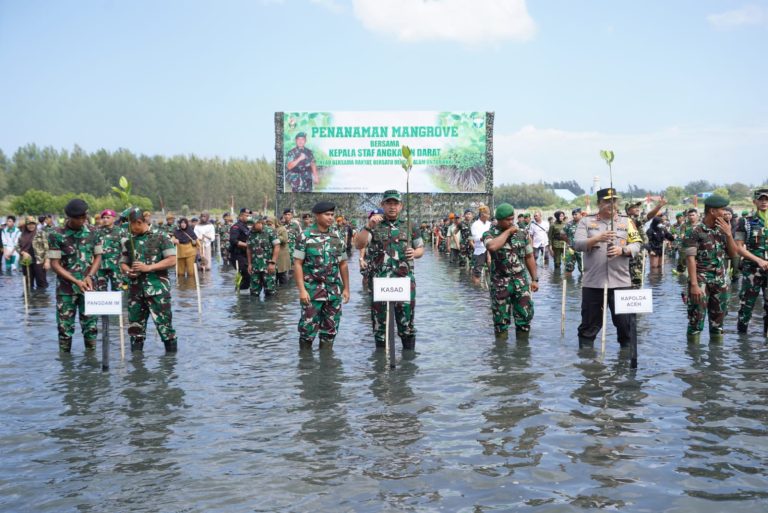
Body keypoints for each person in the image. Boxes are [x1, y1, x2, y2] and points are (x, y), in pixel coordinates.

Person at [573, 188, 642, 363]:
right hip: (593, 283)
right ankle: (589, 367)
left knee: (626, 326)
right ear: (599, 204)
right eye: (607, 201)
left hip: (621, 282)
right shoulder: (586, 222)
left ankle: (625, 366)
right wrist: (597, 239)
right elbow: (577, 244)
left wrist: (623, 249)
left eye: (614, 201)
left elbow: (637, 245)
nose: (611, 205)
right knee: (588, 327)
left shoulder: (627, 222)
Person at [354, 190, 424, 350]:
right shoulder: (374, 225)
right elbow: (359, 245)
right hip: (381, 283)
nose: (392, 207)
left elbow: (420, 248)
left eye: (395, 203)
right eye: (389, 203)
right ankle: (381, 367)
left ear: (401, 206)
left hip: (404, 283)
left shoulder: (410, 226)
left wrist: (415, 253)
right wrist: (368, 226)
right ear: (382, 205)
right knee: (380, 326)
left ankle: (407, 366)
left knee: (406, 325)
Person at [120, 207, 178, 353]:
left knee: (166, 330)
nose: (127, 230)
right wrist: (128, 271)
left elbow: (172, 260)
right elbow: (123, 263)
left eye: (129, 226)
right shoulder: (128, 240)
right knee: (135, 331)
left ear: (138, 222)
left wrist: (148, 267)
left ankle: (170, 368)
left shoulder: (161, 236)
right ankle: (137, 370)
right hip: (135, 293)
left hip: (157, 290)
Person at [48, 199, 103, 352]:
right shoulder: (56, 234)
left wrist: (90, 276)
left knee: (91, 327)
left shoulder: (93, 232)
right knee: (64, 329)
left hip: (89, 287)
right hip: (66, 290)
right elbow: (55, 264)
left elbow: (98, 257)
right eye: (78, 218)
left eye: (84, 217)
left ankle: (91, 363)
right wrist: (76, 281)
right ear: (69, 218)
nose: (82, 221)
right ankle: (66, 367)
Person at [294, 201, 350, 348]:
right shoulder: (304, 236)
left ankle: (327, 366)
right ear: (317, 216)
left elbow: (343, 264)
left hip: (333, 291)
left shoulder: (337, 236)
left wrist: (346, 289)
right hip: (312, 291)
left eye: (332, 215)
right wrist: (302, 290)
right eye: (327, 214)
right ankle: (306, 366)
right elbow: (298, 264)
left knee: (330, 331)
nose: (330, 218)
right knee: (307, 330)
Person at [683, 195, 737, 339]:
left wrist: (729, 234)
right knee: (695, 324)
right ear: (712, 211)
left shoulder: (723, 230)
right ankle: (694, 359)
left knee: (718, 326)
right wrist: (694, 285)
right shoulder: (694, 232)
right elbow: (690, 259)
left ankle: (716, 360)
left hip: (720, 281)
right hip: (700, 281)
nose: (725, 212)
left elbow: (733, 254)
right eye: (722, 209)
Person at [483, 203, 538, 337]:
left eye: (512, 218)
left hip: (521, 282)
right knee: (501, 321)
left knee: (524, 319)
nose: (511, 222)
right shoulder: (489, 234)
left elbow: (529, 256)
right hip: (500, 283)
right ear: (499, 220)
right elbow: (492, 247)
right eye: (507, 220)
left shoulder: (521, 233)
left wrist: (534, 279)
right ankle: (502, 354)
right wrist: (508, 232)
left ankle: (522, 355)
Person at [735, 189, 768, 334]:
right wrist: (758, 260)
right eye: (761, 199)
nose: (764, 202)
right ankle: (742, 344)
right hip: (752, 270)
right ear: (755, 202)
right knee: (746, 306)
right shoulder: (746, 221)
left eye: (766, 199)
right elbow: (739, 247)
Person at [625, 198, 667, 287]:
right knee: (635, 281)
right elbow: (648, 216)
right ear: (628, 211)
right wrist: (659, 206)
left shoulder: (634, 219)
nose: (638, 209)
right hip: (634, 256)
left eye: (638, 207)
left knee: (639, 279)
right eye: (634, 207)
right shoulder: (631, 220)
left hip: (639, 254)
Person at [246, 217, 280, 297]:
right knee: (254, 293)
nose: (252, 227)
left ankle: (269, 309)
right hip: (255, 267)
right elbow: (248, 249)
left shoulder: (270, 231)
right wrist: (250, 264)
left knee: (270, 292)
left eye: (254, 225)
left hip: (268, 266)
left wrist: (273, 262)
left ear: (259, 222)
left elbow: (277, 246)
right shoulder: (250, 233)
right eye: (250, 225)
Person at [95, 209, 125, 292]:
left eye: (108, 217)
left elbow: (125, 249)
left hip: (116, 266)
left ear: (114, 219)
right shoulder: (97, 232)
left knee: (118, 290)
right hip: (100, 266)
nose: (105, 219)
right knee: (100, 291)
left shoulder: (121, 231)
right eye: (103, 218)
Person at [16, 216, 48, 289]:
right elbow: (17, 246)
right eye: (29, 224)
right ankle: (30, 299)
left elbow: (47, 248)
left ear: (35, 224)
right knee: (28, 284)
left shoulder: (41, 233)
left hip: (39, 261)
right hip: (26, 262)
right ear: (26, 225)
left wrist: (47, 261)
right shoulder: (21, 235)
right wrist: (23, 253)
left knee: (41, 283)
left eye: (33, 224)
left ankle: (41, 299)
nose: (31, 226)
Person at [230, 208, 252, 291]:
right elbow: (233, 240)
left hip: (245, 255)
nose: (248, 217)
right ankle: (239, 293)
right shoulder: (236, 226)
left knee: (247, 277)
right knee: (246, 275)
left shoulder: (246, 227)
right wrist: (247, 245)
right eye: (247, 215)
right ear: (241, 216)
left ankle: (242, 294)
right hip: (237, 255)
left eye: (249, 216)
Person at [470, 205, 492, 282]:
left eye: (489, 214)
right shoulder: (475, 224)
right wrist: (483, 238)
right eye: (488, 214)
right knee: (477, 272)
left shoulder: (490, 224)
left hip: (490, 250)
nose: (489, 215)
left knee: (493, 270)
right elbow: (475, 238)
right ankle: (476, 292)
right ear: (482, 214)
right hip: (480, 251)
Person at [564, 208, 583, 275]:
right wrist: (568, 242)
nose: (574, 216)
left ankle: (581, 284)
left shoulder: (584, 224)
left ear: (581, 214)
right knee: (568, 267)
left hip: (582, 249)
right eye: (573, 215)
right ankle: (568, 284)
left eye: (575, 214)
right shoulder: (569, 224)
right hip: (570, 249)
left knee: (583, 268)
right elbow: (562, 234)